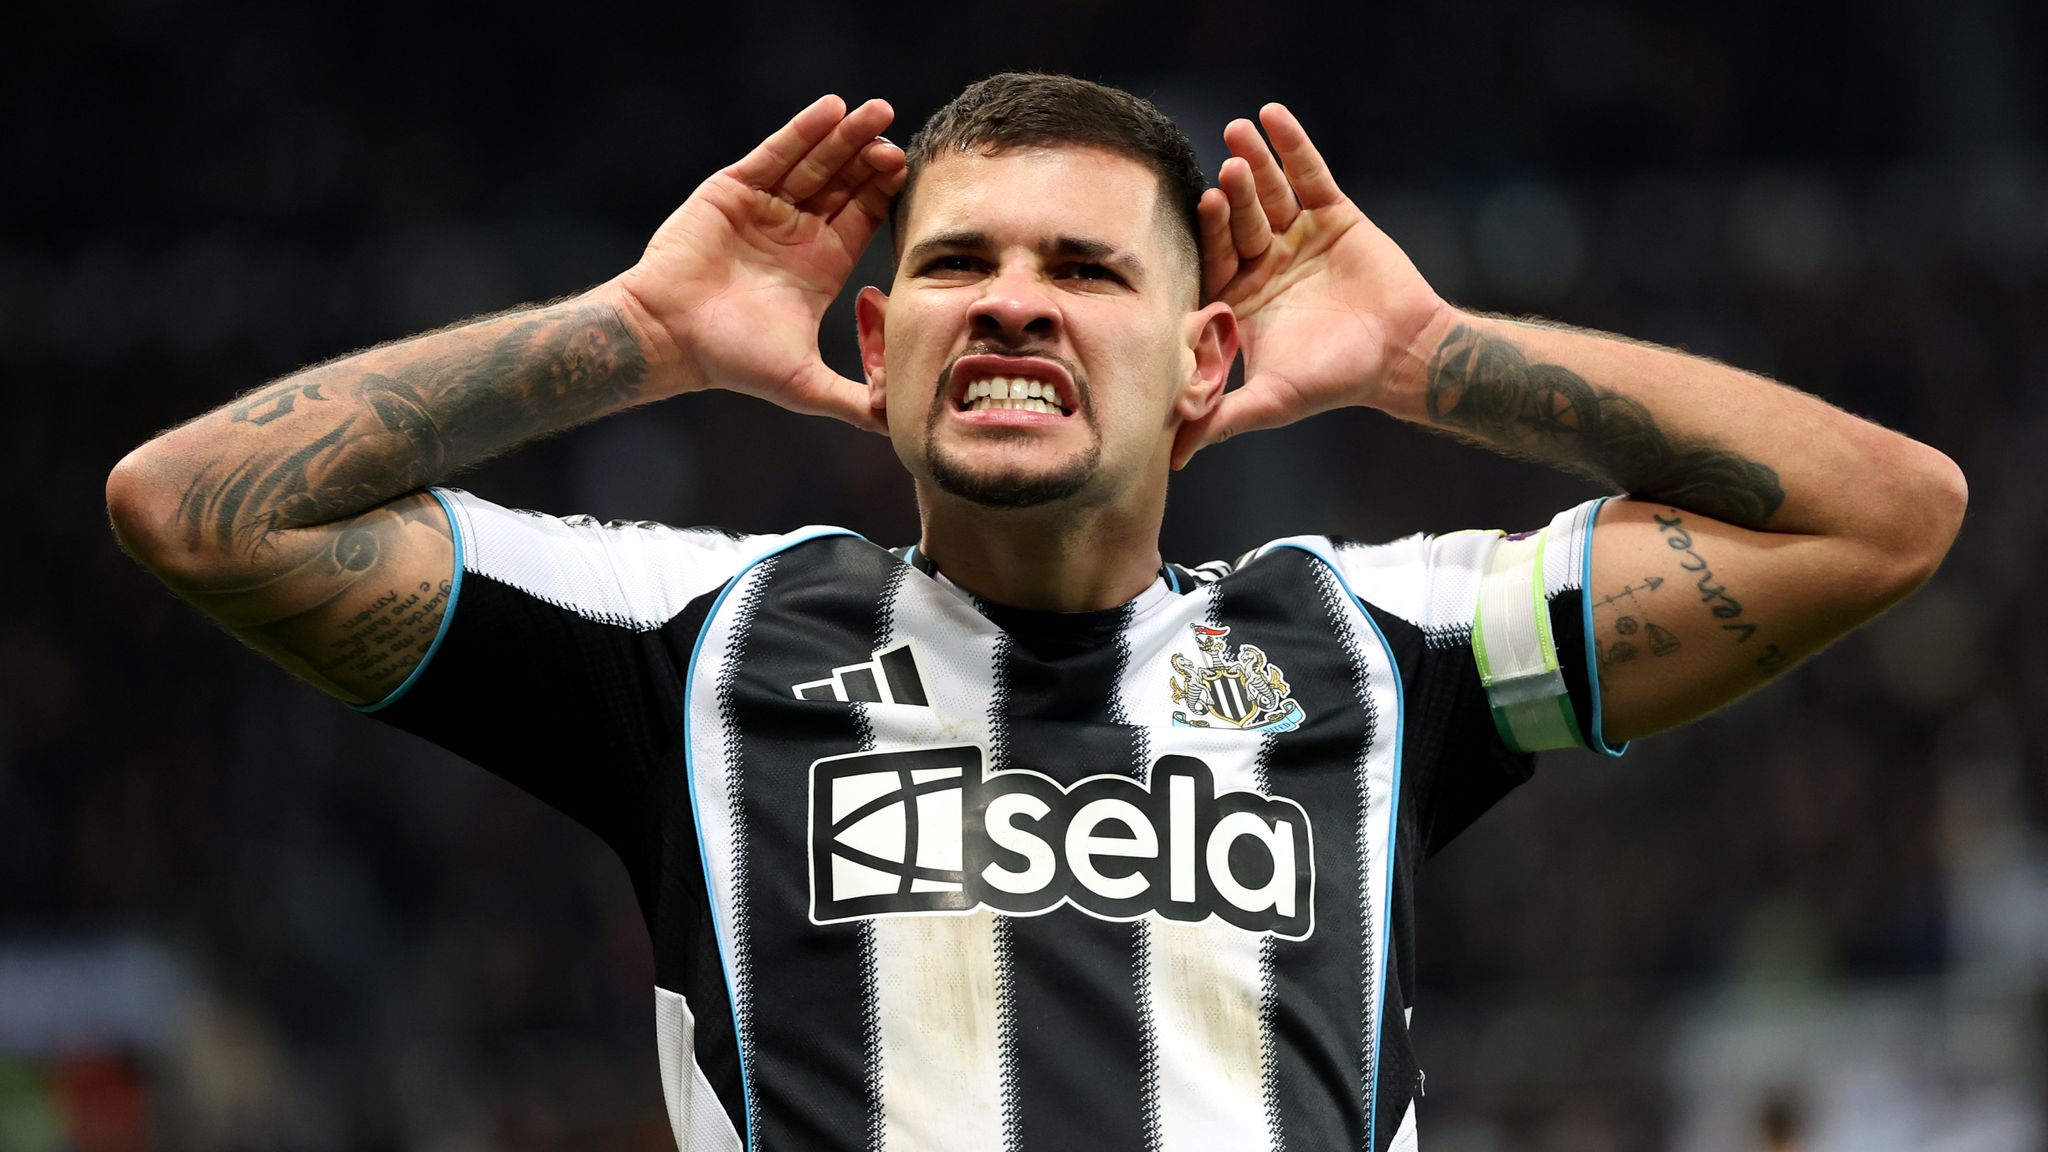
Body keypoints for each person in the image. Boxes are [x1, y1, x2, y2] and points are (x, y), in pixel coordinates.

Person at [106, 73, 1965, 1151]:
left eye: (1085, 270)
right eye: (958, 265)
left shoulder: (1380, 657)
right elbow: (193, 512)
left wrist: (1429, 355)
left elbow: (1882, 517)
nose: (1013, 301)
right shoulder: (694, 643)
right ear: (878, 339)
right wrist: (639, 333)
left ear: (1204, 358)